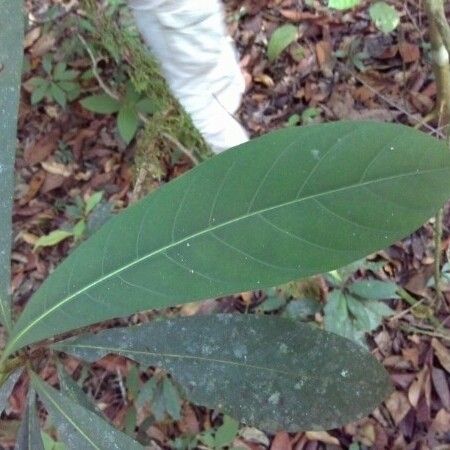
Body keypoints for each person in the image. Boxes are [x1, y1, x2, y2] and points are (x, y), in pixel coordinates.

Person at [128, 0, 249, 153]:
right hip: (186, 9)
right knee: (211, 57)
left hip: (167, 12)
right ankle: (230, 103)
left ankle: (242, 162)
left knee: (195, 96)